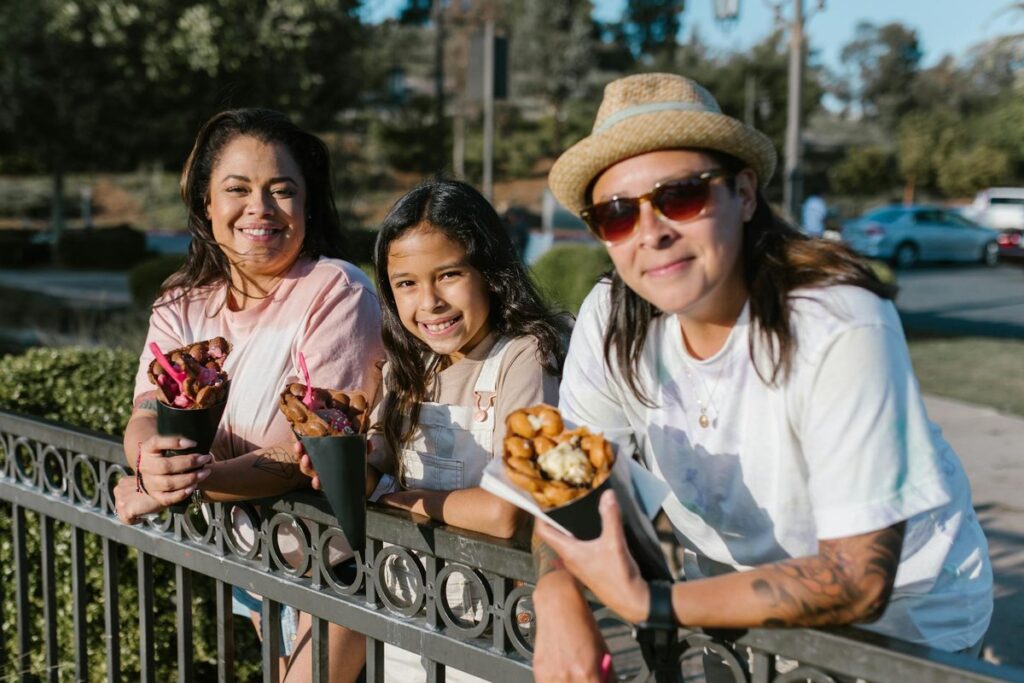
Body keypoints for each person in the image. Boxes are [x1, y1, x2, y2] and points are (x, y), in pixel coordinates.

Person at [530, 73, 993, 681]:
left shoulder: (835, 321)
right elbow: (565, 482)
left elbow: (857, 579)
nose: (651, 231)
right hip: (731, 612)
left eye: (682, 196)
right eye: (617, 214)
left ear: (744, 194)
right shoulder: (611, 315)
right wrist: (556, 593)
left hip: (902, 625)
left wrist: (652, 604)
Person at [112, 108, 385, 682]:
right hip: (256, 554)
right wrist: (147, 462)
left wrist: (177, 483)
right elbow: (146, 406)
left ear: (307, 204)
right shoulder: (181, 301)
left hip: (339, 563)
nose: (259, 207)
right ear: (206, 204)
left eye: (281, 190)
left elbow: (307, 453)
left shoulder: (333, 290)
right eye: (237, 189)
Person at [298, 178, 568, 681]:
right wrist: (337, 461)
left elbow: (506, 512)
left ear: (489, 271)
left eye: (448, 275)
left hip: (495, 627)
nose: (430, 302)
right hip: (404, 606)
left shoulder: (526, 356)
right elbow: (375, 469)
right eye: (406, 283)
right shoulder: (407, 363)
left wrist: (389, 497)